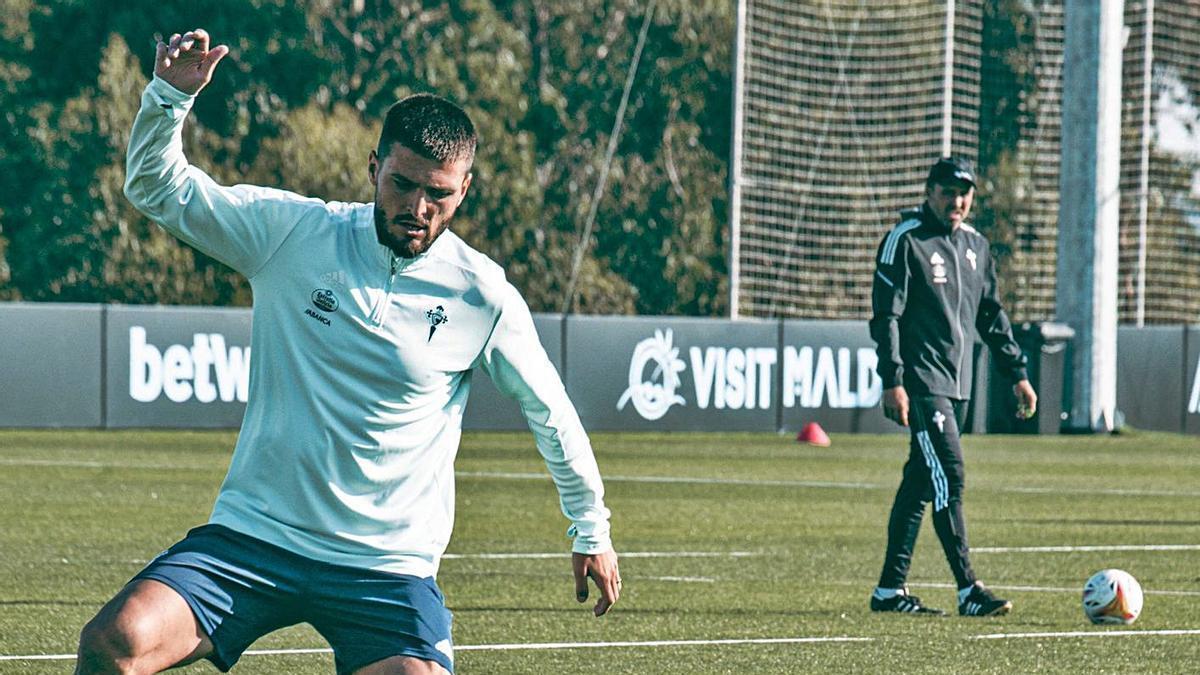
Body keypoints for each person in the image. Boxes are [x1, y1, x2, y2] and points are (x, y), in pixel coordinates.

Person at [76, 29, 620, 675]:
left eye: (439, 193)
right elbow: (159, 190)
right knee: (115, 639)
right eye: (402, 183)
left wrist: (591, 527)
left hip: (386, 569)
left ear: (465, 190)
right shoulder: (294, 235)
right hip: (257, 538)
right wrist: (169, 96)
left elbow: (549, 410)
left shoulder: (484, 295)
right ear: (374, 167)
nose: (417, 207)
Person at [867, 157, 1037, 617]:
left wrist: (1017, 373)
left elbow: (991, 317)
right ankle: (969, 590)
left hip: (957, 384)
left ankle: (888, 591)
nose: (957, 200)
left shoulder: (977, 247)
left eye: (965, 192)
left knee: (919, 483)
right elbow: (887, 316)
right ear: (930, 192)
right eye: (948, 191)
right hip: (922, 383)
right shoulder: (905, 240)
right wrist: (893, 380)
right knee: (951, 475)